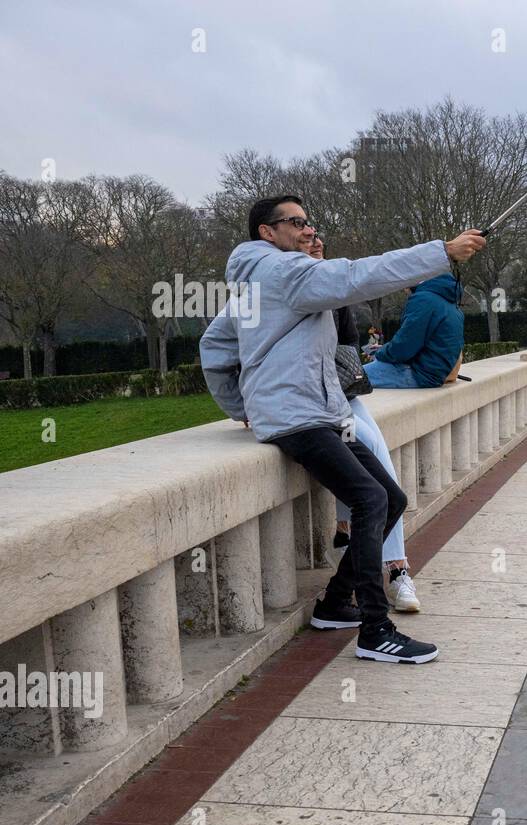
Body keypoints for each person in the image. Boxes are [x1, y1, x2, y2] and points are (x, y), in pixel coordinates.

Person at [200, 194, 484, 664]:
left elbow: (214, 348)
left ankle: (335, 603)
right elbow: (358, 275)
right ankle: (375, 630)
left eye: (309, 222)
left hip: (316, 413)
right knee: (370, 498)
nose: (308, 230)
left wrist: (243, 407)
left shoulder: (260, 281)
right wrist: (442, 252)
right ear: (266, 232)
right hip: (297, 417)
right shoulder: (284, 273)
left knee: (389, 497)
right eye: (295, 223)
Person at [304, 236, 421, 613]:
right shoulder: (278, 290)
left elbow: (350, 346)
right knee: (367, 455)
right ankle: (394, 568)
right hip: (313, 404)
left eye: (316, 232)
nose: (314, 239)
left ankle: (380, 555)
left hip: (341, 395)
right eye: (302, 230)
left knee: (375, 450)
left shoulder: (335, 293)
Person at [362, 273, 465, 389]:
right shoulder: (450, 303)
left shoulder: (423, 299)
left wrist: (378, 353)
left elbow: (404, 347)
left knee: (349, 378)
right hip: (436, 374)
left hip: (419, 375)